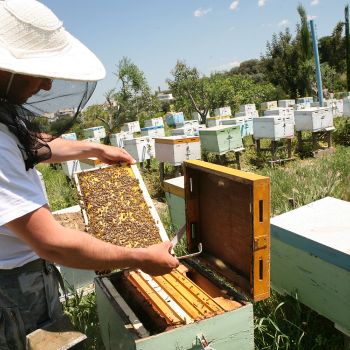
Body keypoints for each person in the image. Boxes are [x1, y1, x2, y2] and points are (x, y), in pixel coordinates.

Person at [0, 1, 179, 348]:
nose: (49, 85)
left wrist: (94, 149)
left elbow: (33, 144)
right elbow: (52, 242)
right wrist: (140, 256)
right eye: (39, 71)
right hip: (11, 293)